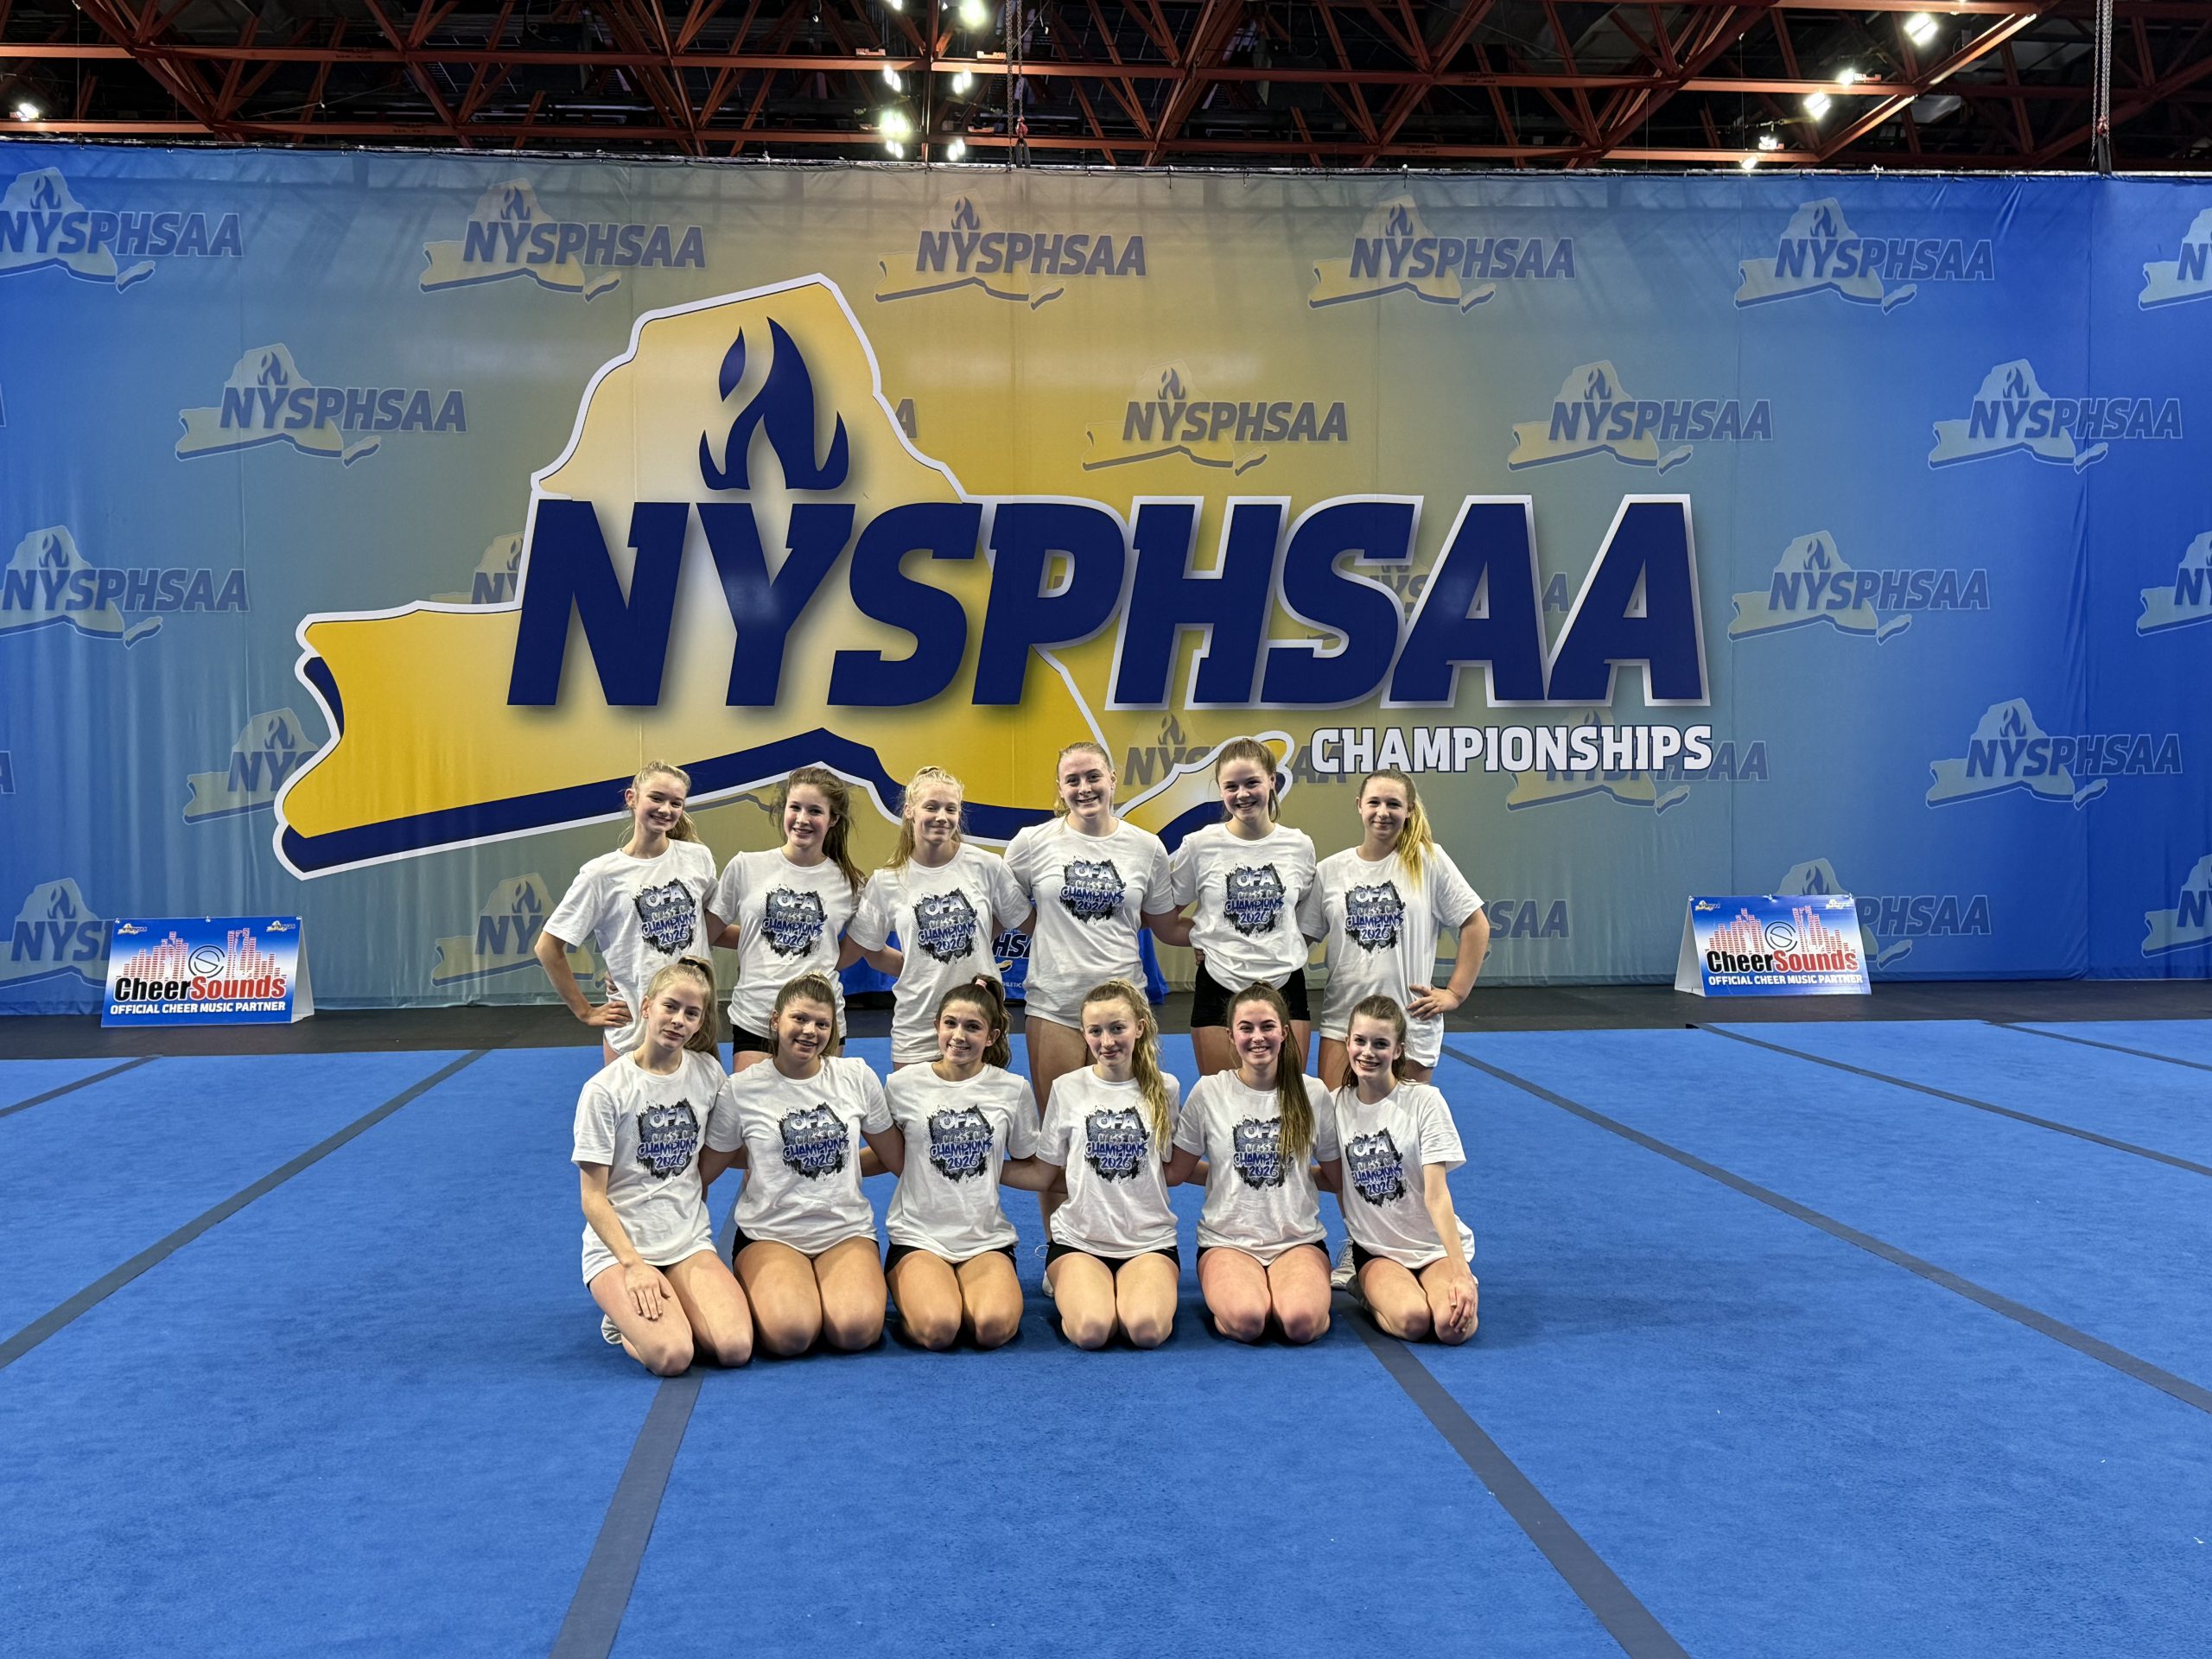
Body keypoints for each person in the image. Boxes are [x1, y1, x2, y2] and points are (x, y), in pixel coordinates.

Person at [1004, 741, 1176, 1229]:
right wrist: (1046, 933)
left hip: (1125, 1010)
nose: (1085, 788)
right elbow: (1003, 906)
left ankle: (1131, 1232)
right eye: (1073, 780)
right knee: (1057, 1136)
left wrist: (1213, 939)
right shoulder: (1032, 842)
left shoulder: (1146, 848)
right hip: (1055, 1005)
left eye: (1093, 776)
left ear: (1113, 779)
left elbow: (1162, 921)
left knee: (1131, 1130)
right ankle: (1061, 1241)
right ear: (1059, 788)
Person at [574, 957, 753, 1375]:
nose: (678, 1020)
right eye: (670, 1007)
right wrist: (634, 1266)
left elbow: (722, 1152)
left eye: (691, 1013)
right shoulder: (604, 1090)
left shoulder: (707, 1073)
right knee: (673, 1355)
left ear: (700, 1022)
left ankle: (669, 1302)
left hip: (686, 1241)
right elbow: (592, 1198)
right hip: (621, 1250)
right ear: (646, 1007)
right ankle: (622, 1319)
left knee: (735, 1347)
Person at [700, 973, 895, 1357]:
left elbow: (895, 1157)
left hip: (844, 1231)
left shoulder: (855, 1077)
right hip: (770, 1233)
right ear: (776, 1021)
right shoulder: (742, 1089)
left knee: (855, 1331)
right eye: (800, 1019)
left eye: (822, 1024)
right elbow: (706, 1168)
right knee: (791, 1333)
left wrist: (840, 1162)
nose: (810, 1031)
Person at [874, 979, 1054, 1351]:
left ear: (991, 1036)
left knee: (993, 1328)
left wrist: (983, 1161)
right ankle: (920, 1293)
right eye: (950, 1023)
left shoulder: (1012, 1089)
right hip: (918, 1237)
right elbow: (887, 1154)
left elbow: (1032, 1165)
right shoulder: (902, 1084)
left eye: (973, 1027)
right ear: (936, 1026)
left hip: (984, 1239)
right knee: (939, 1329)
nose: (959, 1036)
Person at [1165, 982, 1338, 1344]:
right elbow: (1177, 1171)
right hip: (1228, 1240)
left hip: (1297, 1240)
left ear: (1285, 1032)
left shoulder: (1313, 1093)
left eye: (1267, 1027)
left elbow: (1339, 1178)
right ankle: (1253, 1295)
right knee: (1247, 1321)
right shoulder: (1210, 1092)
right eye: (1246, 1028)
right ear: (1231, 1036)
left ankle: (1291, 1296)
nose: (1257, 1037)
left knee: (1301, 1324)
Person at [1305, 766, 1490, 1089]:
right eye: (1374, 802)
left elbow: (1476, 923)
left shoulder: (1428, 861)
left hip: (1410, 1020)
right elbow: (1298, 939)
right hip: (1344, 1019)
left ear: (1409, 810)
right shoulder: (1330, 871)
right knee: (1336, 1116)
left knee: (1403, 1119)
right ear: (1359, 805)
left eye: (1393, 804)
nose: (1383, 812)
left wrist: (1455, 993)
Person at [1033, 980, 1183, 1350]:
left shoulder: (1166, 1089)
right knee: (1092, 1331)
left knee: (1146, 1331)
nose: (1107, 1041)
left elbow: (1171, 1166)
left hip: (1148, 1241)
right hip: (1080, 1240)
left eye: (1117, 1028)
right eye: (1095, 1031)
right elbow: (1045, 1172)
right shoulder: (1066, 1088)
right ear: (1084, 1034)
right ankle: (1080, 1284)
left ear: (1139, 1028)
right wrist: (990, 1165)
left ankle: (1127, 1290)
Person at [849, 766, 1031, 1071]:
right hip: (917, 1023)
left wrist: (980, 940)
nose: (942, 817)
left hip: (977, 1020)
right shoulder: (887, 881)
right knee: (914, 1104)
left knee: (981, 1103)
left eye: (951, 809)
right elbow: (870, 950)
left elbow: (1021, 918)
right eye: (931, 807)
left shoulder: (986, 866)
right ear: (910, 810)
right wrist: (916, 965)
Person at [538, 760, 719, 1065]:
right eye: (656, 798)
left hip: (693, 1021)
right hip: (635, 1025)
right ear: (632, 798)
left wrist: (777, 939)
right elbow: (547, 947)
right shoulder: (601, 874)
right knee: (631, 1097)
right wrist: (585, 1011)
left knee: (703, 1096)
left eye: (676, 803)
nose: (666, 809)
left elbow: (710, 927)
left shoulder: (697, 858)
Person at [1161, 739, 1319, 1077]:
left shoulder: (1299, 845)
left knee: (1289, 1096)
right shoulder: (1200, 846)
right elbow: (1165, 922)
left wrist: (1278, 945)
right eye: (1231, 786)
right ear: (1220, 790)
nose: (1242, 794)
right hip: (1219, 984)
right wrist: (1206, 937)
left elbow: (1302, 922)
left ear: (1272, 781)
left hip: (1284, 984)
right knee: (1222, 1099)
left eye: (1252, 783)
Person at [1332, 995, 1478, 1344]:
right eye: (1360, 1041)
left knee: (1453, 1328)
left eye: (1380, 1044)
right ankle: (1363, 1287)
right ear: (1347, 1043)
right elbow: (1333, 1177)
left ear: (1398, 1050)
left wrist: (1461, 1272)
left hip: (1432, 1247)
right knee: (1412, 1321)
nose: (1368, 1052)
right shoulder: (1333, 1106)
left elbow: (1437, 1195)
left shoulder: (1425, 1102)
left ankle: (1437, 1282)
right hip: (1377, 1250)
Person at [706, 766, 866, 1072]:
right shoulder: (746, 867)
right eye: (795, 807)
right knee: (752, 1104)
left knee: (817, 1104)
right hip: (757, 1016)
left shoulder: (850, 883)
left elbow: (854, 947)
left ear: (833, 819)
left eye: (815, 811)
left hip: (819, 1018)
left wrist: (816, 958)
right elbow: (706, 932)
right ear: (783, 810)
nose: (802, 819)